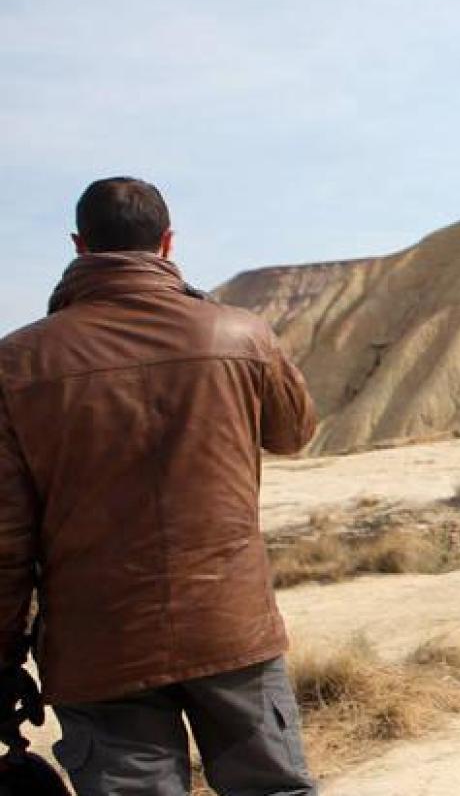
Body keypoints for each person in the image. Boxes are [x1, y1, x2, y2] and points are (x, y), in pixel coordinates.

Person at [0, 178, 319, 796]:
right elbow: (293, 432)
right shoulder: (238, 333)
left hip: (99, 647)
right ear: (168, 243)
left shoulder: (17, 363)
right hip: (230, 626)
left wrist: (4, 657)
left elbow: (6, 540)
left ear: (79, 245)